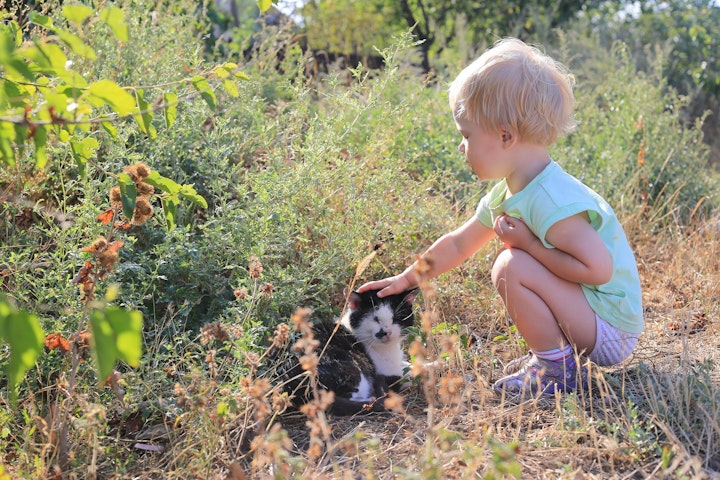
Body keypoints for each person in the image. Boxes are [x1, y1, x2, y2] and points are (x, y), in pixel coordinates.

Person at [357, 38, 643, 397]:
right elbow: (460, 243)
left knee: (512, 265)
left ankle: (559, 370)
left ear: (506, 136)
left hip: (610, 328)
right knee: (515, 262)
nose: (461, 146)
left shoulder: (551, 199)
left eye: (467, 135)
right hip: (592, 317)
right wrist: (407, 279)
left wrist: (529, 246)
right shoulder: (511, 191)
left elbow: (598, 270)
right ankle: (553, 356)